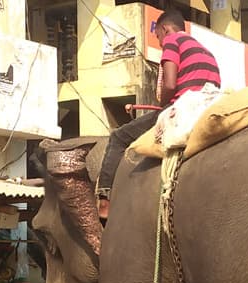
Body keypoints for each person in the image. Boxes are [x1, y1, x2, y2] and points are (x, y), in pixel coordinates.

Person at [94, 8, 221, 216]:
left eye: (159, 38)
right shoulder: (207, 52)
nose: (161, 43)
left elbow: (170, 84)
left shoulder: (173, 41)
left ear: (165, 29)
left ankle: (105, 199)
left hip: (182, 107)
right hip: (207, 105)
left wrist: (163, 101)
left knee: (118, 137)